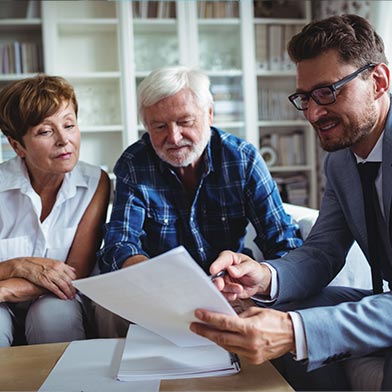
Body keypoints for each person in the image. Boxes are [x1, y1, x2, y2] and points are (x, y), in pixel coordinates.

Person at [190, 14, 392, 392]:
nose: (314, 113)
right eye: (305, 97)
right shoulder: (341, 162)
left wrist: (295, 331)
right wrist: (264, 277)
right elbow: (322, 253)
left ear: (378, 81)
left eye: (329, 92)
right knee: (273, 308)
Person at [96, 65, 303, 336]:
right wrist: (148, 273)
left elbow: (285, 243)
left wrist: (255, 277)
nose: (173, 137)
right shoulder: (134, 163)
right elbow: (119, 243)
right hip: (158, 292)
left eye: (184, 122)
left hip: (228, 288)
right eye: (159, 126)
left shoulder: (243, 159)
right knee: (109, 308)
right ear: (146, 126)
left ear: (209, 115)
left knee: (267, 312)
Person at [0, 75, 110, 347]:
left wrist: (5, 287)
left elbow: (75, 273)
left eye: (69, 125)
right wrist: (18, 266)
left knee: (51, 313)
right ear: (17, 146)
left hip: (60, 297)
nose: (64, 140)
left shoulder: (96, 182)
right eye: (45, 131)